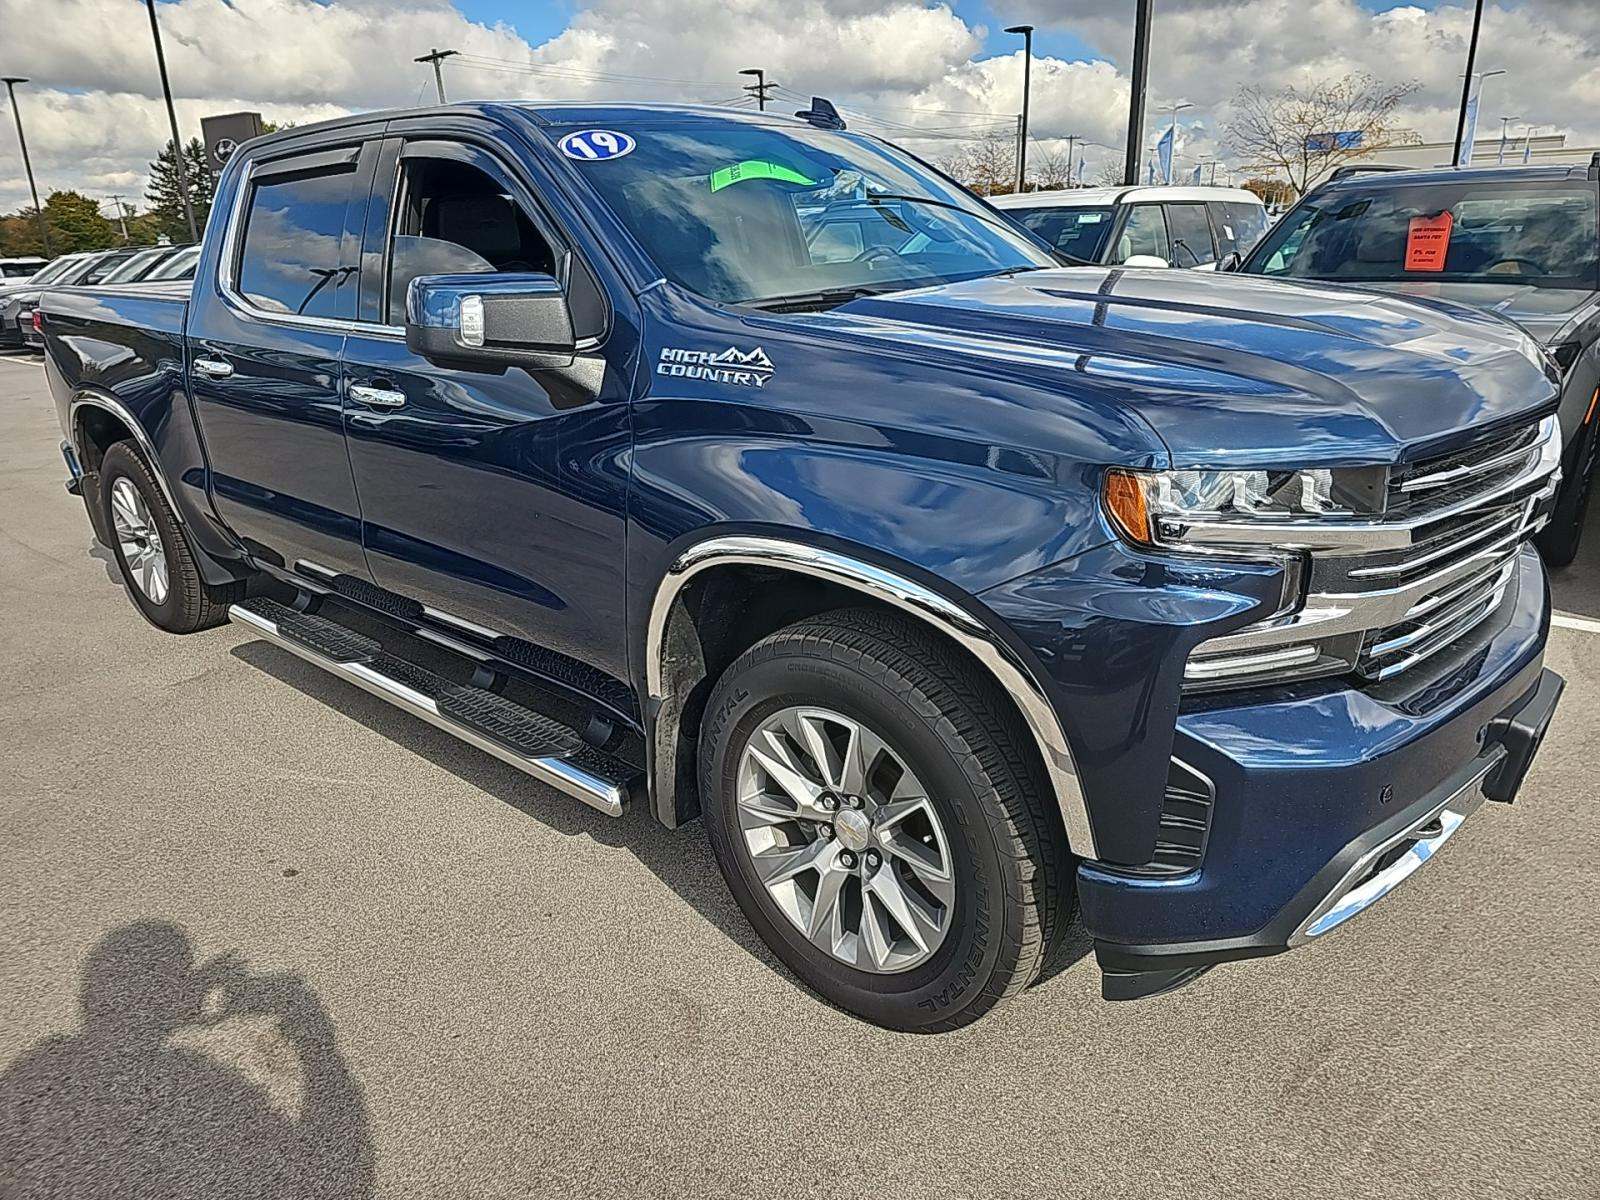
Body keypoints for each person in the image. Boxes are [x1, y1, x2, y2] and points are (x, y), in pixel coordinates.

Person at [0, 920, 374, 1199]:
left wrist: (175, 1001)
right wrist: (316, 1045)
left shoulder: (30, 1083)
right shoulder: (208, 1098)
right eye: (187, 975)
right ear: (178, 998)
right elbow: (340, 1180)